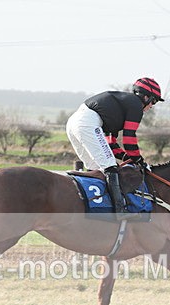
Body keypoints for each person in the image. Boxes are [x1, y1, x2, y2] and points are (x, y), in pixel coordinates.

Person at [66, 77, 163, 220]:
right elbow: (129, 139)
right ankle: (120, 211)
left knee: (96, 169)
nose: (152, 106)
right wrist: (139, 160)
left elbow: (109, 142)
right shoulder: (136, 106)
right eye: (153, 101)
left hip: (73, 124)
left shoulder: (122, 105)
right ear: (146, 97)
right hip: (87, 124)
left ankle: (92, 207)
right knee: (110, 167)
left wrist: (126, 158)